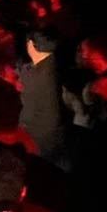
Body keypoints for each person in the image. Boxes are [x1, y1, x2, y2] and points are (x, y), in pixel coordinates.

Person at [19, 28, 69, 170]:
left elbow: (31, 108)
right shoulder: (55, 66)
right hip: (53, 135)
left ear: (31, 44)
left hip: (41, 137)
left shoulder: (38, 75)